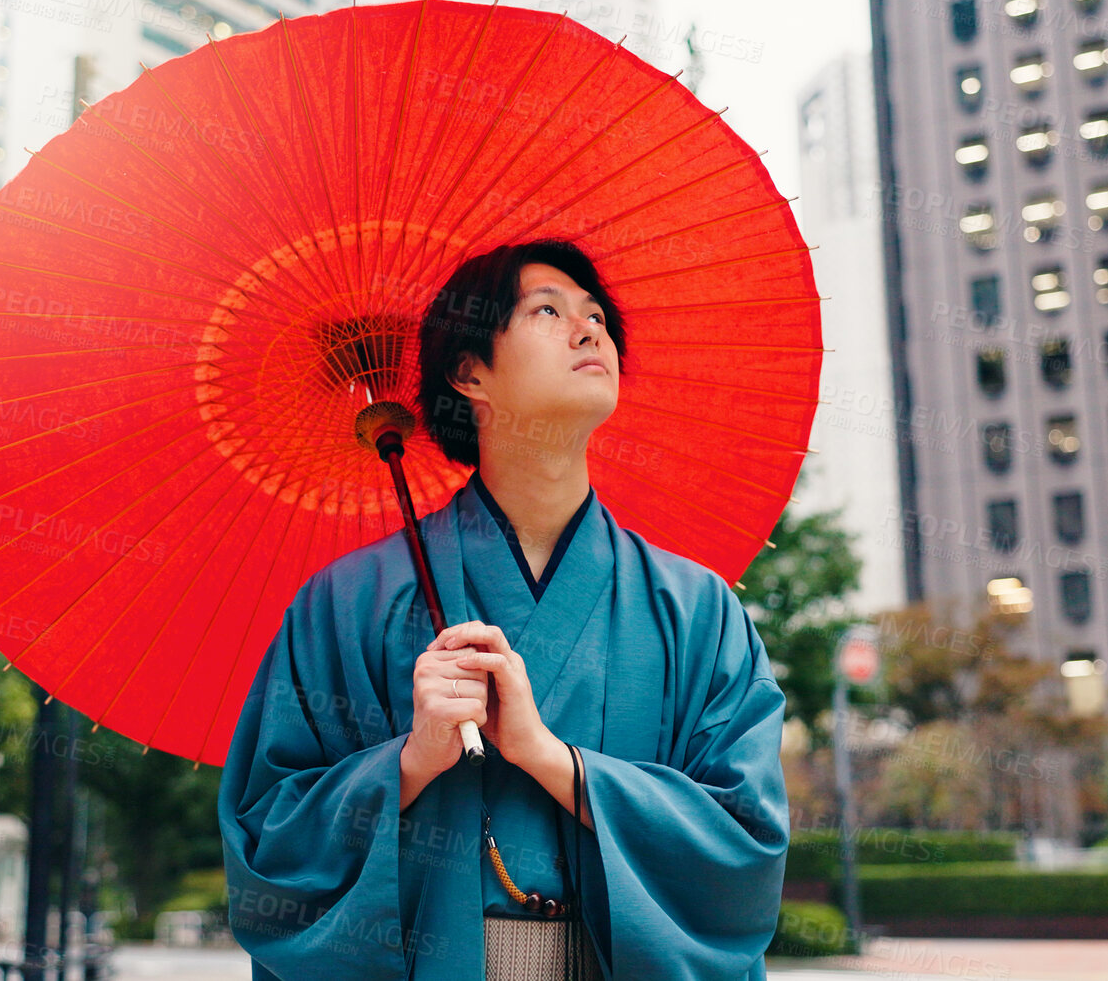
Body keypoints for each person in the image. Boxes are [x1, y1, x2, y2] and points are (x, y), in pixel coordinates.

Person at [218, 239, 791, 980]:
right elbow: (268, 843)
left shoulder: (697, 609)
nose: (589, 331)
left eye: (596, 317)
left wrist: (549, 757)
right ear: (470, 373)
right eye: (548, 310)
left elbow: (745, 842)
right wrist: (410, 760)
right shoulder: (349, 602)